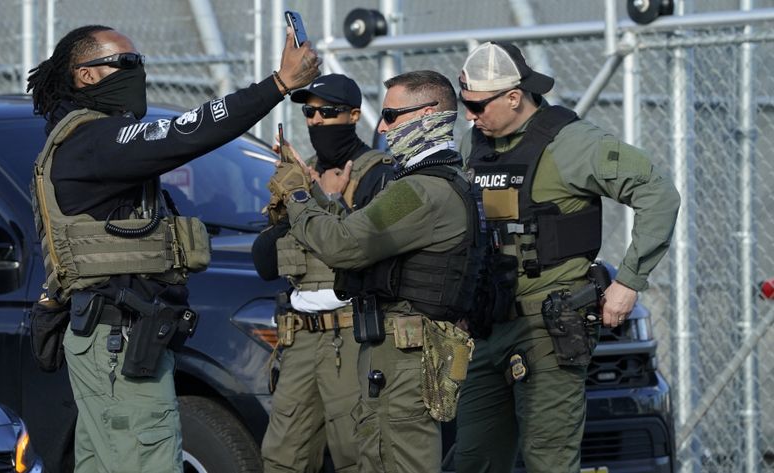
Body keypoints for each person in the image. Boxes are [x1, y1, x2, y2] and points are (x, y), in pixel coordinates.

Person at [26, 24, 319, 473]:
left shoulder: (92, 141)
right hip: (117, 341)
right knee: (146, 459)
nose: (137, 72)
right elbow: (188, 132)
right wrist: (278, 85)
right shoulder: (91, 141)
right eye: (125, 64)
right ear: (85, 75)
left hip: (116, 337)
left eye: (140, 63)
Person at [454, 41, 680, 473]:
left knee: (549, 458)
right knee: (472, 458)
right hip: (488, 325)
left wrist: (629, 281)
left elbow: (658, 193)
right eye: (466, 103)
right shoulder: (475, 144)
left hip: (548, 325)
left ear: (514, 97)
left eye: (477, 105)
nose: (469, 115)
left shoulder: (571, 143)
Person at [265, 70, 479, 473]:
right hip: (397, 351)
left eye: (392, 116)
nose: (382, 127)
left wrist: (296, 194)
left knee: (389, 458)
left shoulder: (417, 191)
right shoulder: (432, 182)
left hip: (405, 356)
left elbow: (344, 244)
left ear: (428, 114)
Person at [251, 73, 393, 473]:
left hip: (352, 336)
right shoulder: (300, 175)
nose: (315, 121)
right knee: (283, 455)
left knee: (357, 452)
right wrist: (293, 202)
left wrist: (324, 204)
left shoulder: (380, 174)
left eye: (327, 112)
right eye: (309, 112)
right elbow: (264, 263)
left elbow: (370, 250)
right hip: (300, 336)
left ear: (352, 115)